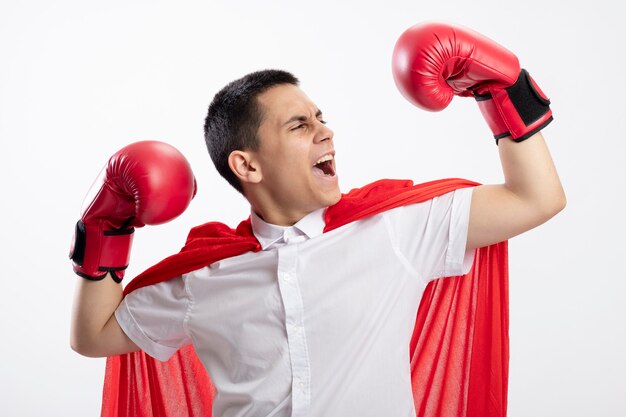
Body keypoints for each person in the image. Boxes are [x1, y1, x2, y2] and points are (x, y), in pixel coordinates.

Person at [70, 22, 565, 417]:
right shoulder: (203, 277)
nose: (325, 132)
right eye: (300, 125)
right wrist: (105, 226)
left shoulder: (395, 229)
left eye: (321, 118)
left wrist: (502, 88)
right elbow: (94, 337)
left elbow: (535, 199)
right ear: (247, 165)